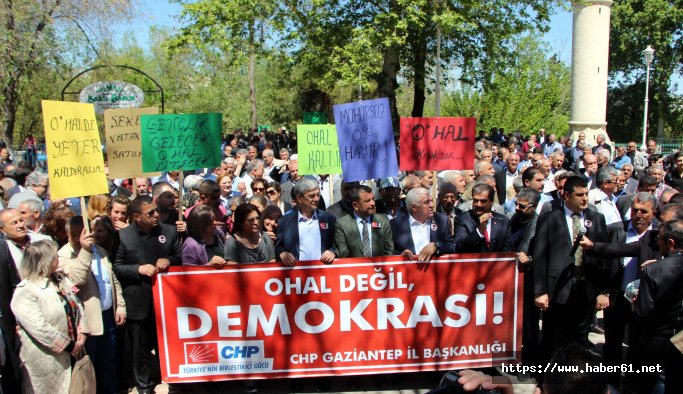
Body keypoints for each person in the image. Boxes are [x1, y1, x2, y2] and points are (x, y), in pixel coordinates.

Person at [533, 176, 610, 371]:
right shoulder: (551, 219)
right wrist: (540, 290)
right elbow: (540, 256)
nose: (585, 199)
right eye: (580, 195)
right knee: (554, 338)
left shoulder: (596, 218)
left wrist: (604, 291)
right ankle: (550, 380)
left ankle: (576, 379)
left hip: (586, 288)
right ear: (566, 195)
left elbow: (603, 257)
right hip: (557, 289)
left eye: (586, 194)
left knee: (580, 339)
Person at [113, 195, 182, 394]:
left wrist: (169, 260)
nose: (156, 215)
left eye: (156, 211)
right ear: (136, 217)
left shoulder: (168, 232)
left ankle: (172, 381)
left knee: (166, 345)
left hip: (165, 300)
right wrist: (137, 269)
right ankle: (144, 386)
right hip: (138, 301)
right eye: (150, 213)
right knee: (139, 349)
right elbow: (117, 266)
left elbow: (180, 256)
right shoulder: (124, 236)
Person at [58, 216, 126, 394]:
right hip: (87, 321)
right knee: (90, 364)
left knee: (109, 362)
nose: (78, 237)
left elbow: (112, 280)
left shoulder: (100, 251)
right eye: (73, 234)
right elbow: (77, 279)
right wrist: (85, 251)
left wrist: (120, 305)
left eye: (82, 232)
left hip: (107, 314)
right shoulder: (63, 255)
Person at [11, 240, 88, 394]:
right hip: (47, 360)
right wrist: (69, 346)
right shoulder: (26, 290)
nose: (58, 258)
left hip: (74, 352)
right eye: (54, 256)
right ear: (44, 261)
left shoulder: (61, 280)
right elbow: (39, 327)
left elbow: (77, 304)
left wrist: (82, 333)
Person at [624, 220, 683, 394]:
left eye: (659, 239)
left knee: (638, 385)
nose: (656, 242)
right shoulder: (656, 267)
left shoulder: (654, 270)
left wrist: (635, 303)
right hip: (679, 342)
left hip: (655, 343)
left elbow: (644, 311)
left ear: (670, 243)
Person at [275, 178, 336, 265]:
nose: (316, 199)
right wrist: (282, 253)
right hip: (296, 274)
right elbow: (278, 247)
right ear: (299, 198)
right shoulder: (285, 222)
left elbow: (337, 245)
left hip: (323, 273)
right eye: (311, 196)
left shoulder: (328, 219)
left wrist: (332, 252)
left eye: (318, 195)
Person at [391, 187, 454, 261]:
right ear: (414, 207)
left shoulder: (442, 220)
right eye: (426, 202)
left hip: (434, 270)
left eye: (431, 201)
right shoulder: (395, 224)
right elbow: (388, 252)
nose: (431, 205)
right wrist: (400, 256)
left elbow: (452, 246)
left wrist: (436, 246)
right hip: (409, 270)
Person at [334, 185, 394, 258]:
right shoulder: (342, 225)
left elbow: (389, 251)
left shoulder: (383, 221)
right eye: (368, 201)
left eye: (373, 199)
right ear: (355, 205)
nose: (373, 203)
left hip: (379, 268)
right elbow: (344, 255)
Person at [454, 183, 513, 253]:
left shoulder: (503, 221)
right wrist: (479, 231)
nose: (478, 204)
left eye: (483, 201)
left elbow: (508, 251)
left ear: (491, 202)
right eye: (475, 200)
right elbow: (460, 246)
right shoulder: (462, 220)